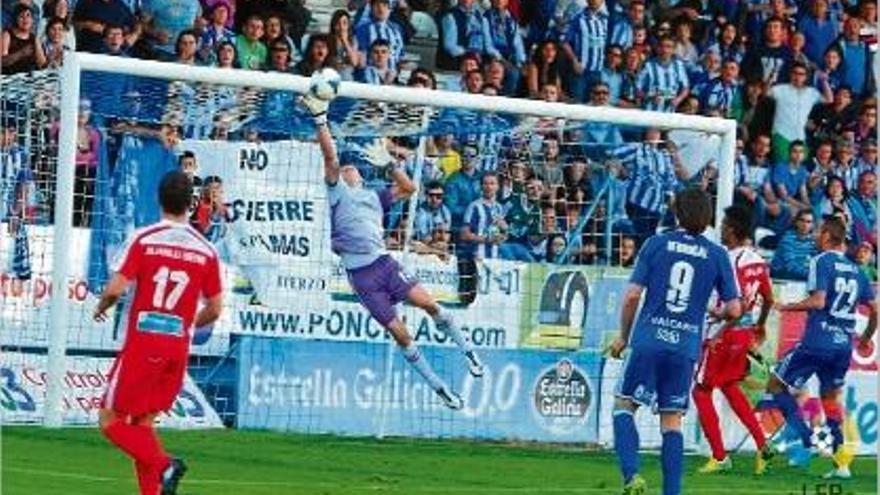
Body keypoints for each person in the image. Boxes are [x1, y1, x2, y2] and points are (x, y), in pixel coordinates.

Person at [300, 87, 484, 410]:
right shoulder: (337, 193)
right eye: (345, 168)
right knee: (401, 334)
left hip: (384, 264)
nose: (348, 169)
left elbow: (410, 188)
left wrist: (389, 164)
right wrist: (320, 120)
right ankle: (439, 387)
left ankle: (468, 352)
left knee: (431, 305)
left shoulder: (374, 196)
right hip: (362, 277)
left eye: (353, 168)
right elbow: (330, 157)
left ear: (361, 175)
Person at [94, 171, 224, 495]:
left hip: (143, 343)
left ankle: (165, 463)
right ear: (192, 205)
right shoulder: (206, 250)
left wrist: (103, 306)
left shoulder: (146, 238)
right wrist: (187, 323)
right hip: (177, 348)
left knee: (109, 422)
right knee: (142, 425)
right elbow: (216, 308)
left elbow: (115, 288)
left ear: (159, 199)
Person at [608, 187, 742, 495]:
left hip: (649, 339)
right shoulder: (718, 254)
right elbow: (734, 308)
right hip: (684, 348)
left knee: (624, 406)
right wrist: (714, 313)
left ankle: (632, 477)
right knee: (672, 421)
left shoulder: (656, 244)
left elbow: (631, 296)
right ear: (708, 218)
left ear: (677, 212)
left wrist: (623, 337)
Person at [768, 216, 877, 477]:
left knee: (775, 384)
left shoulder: (821, 261)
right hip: (843, 347)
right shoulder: (857, 271)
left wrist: (787, 306)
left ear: (828, 235)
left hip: (817, 341)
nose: (816, 235)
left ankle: (807, 438)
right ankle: (842, 465)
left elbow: (818, 302)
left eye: (819, 231)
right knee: (830, 400)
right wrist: (865, 338)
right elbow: (875, 309)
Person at [692, 205, 775, 475]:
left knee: (701, 390)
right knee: (729, 387)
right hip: (743, 335)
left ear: (732, 230)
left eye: (724, 225)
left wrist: (716, 330)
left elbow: (734, 306)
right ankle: (763, 444)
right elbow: (769, 299)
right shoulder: (758, 261)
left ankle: (718, 456)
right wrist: (760, 326)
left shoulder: (730, 260)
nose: (721, 230)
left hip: (723, 332)